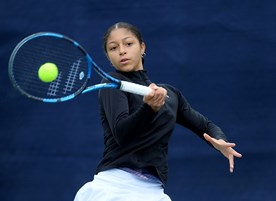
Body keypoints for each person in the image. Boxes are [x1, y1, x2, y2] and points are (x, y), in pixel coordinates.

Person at [74, 22, 242, 201]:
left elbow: (204, 125)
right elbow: (121, 133)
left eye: (128, 44)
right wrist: (148, 109)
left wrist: (220, 141)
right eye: (113, 48)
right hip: (115, 186)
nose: (122, 51)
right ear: (108, 56)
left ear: (142, 47)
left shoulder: (170, 95)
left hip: (153, 191)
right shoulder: (113, 84)